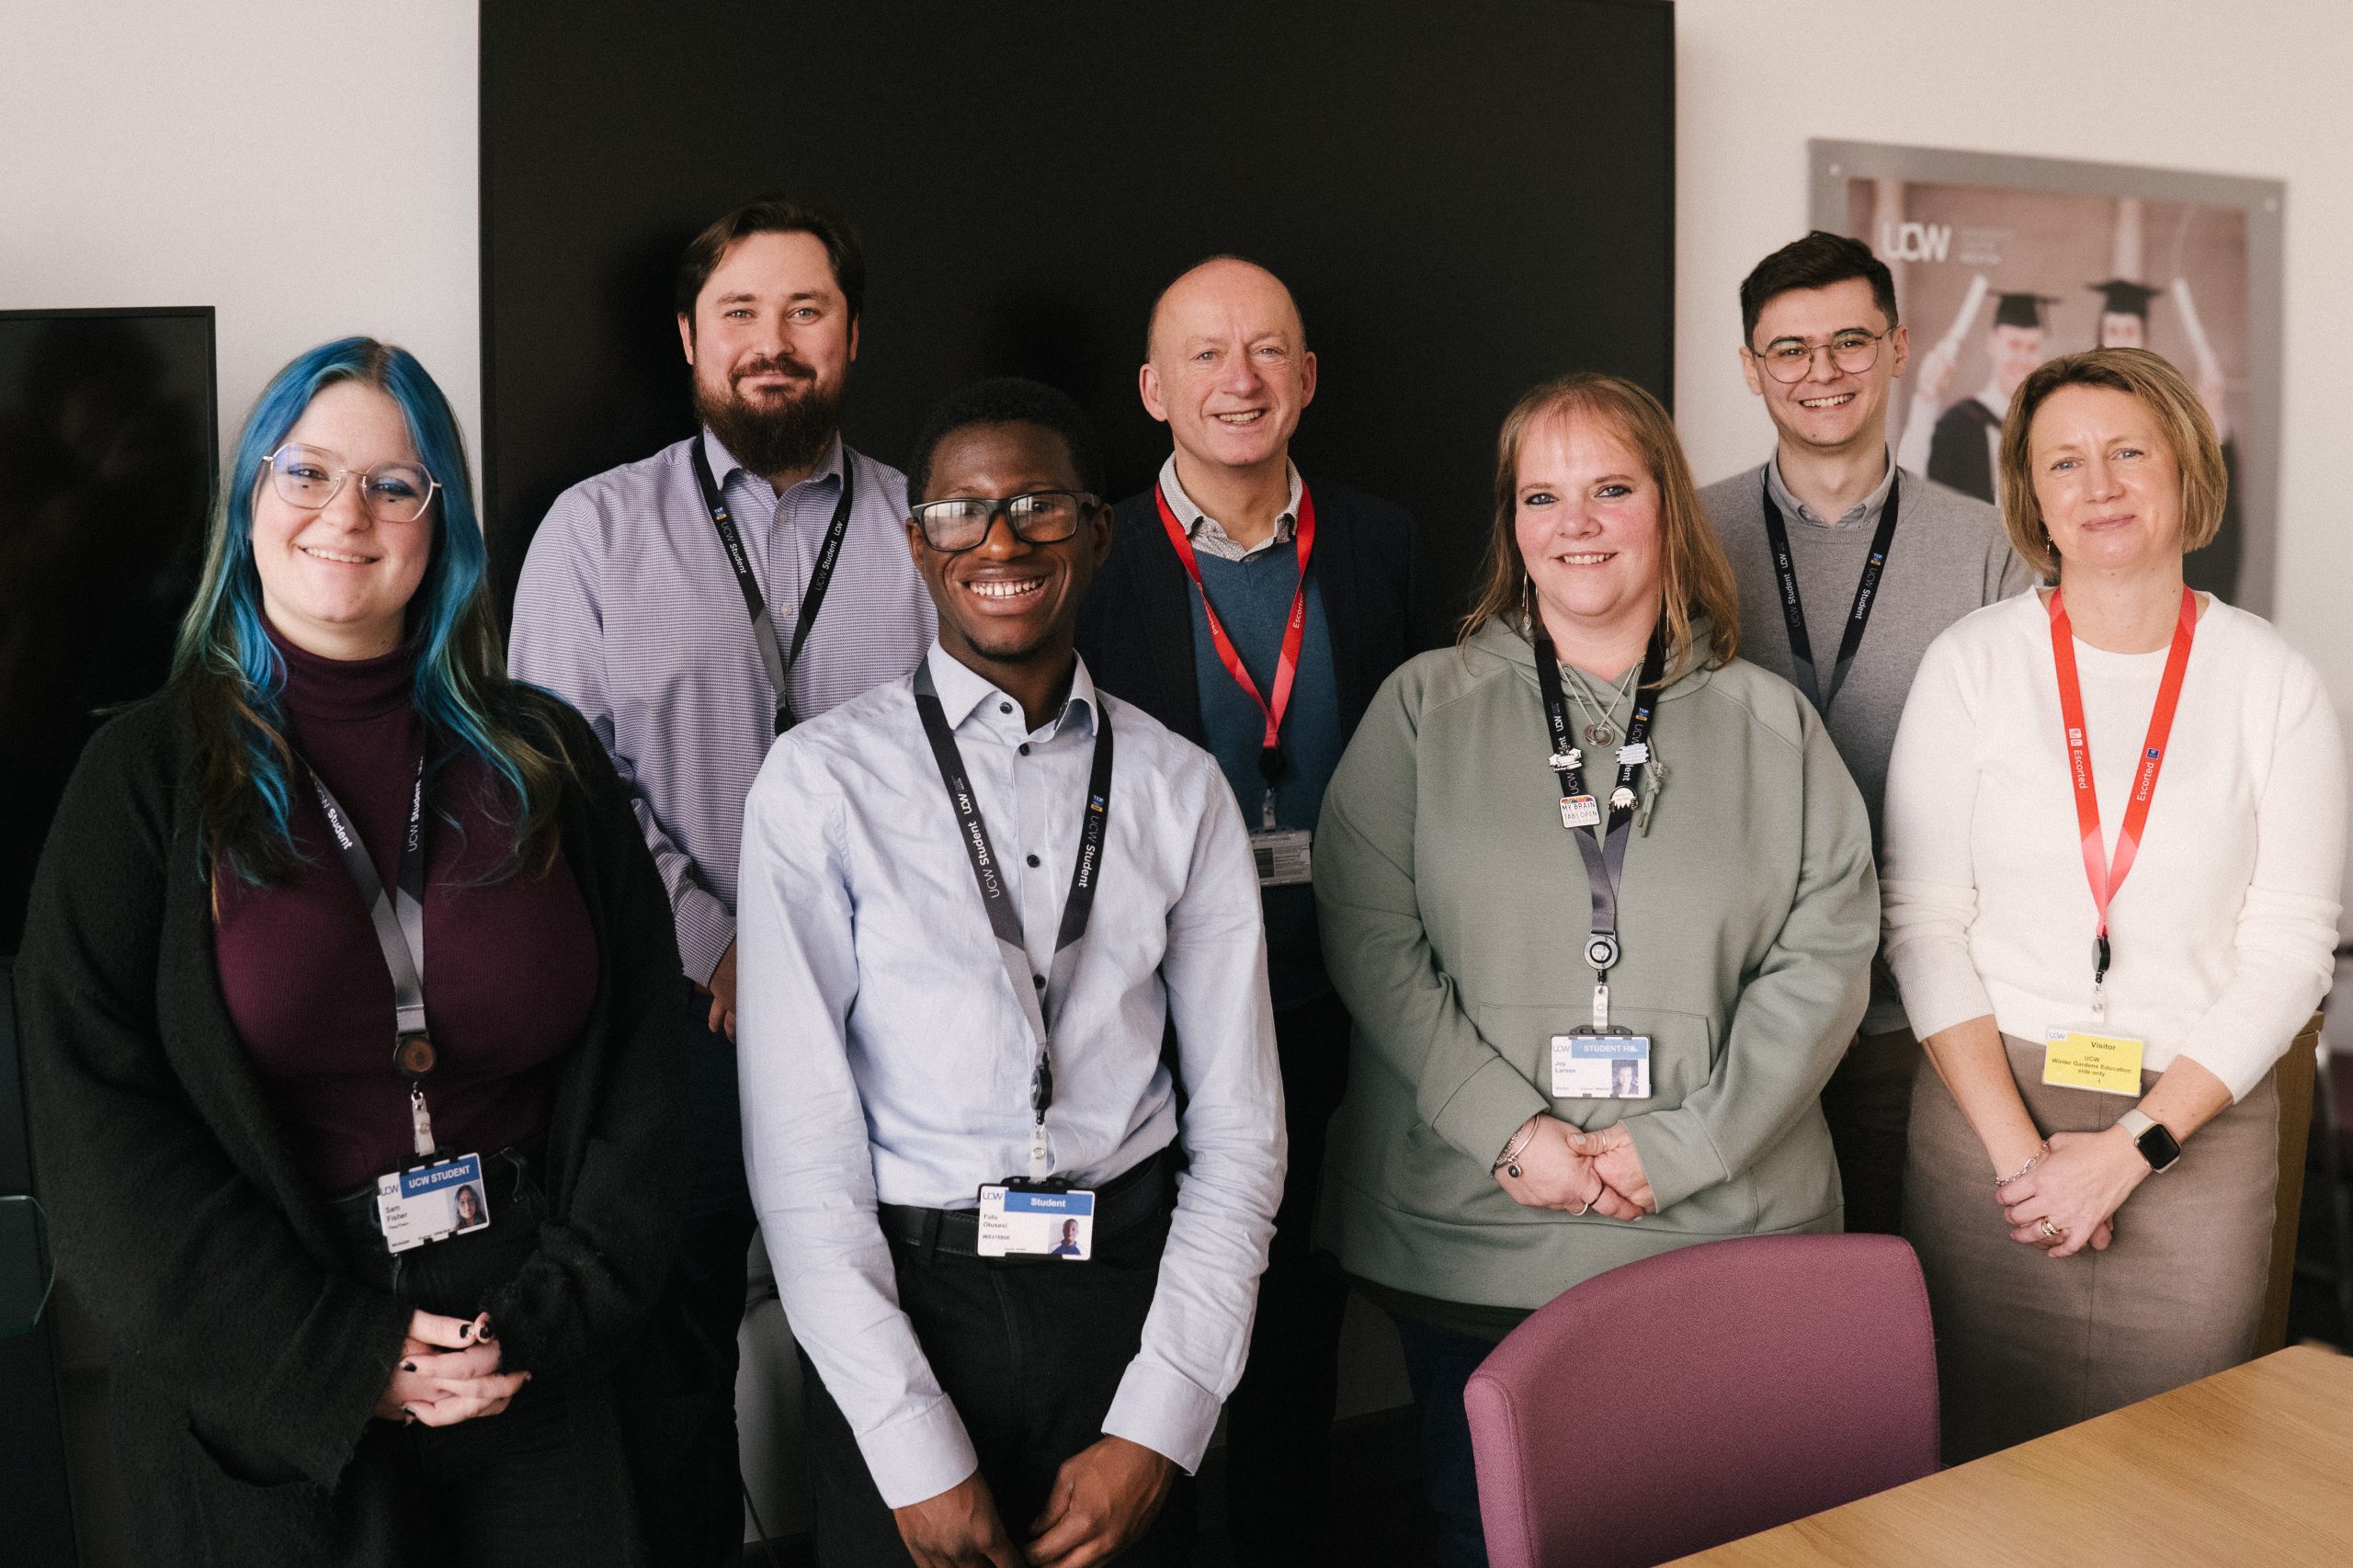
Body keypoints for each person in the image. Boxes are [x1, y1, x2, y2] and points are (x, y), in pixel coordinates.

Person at [16, 338, 691, 1564]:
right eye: (307, 472)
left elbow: (651, 1054)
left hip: (539, 1352)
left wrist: (547, 1320)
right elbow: (97, 1132)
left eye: (394, 482)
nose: (346, 513)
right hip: (276, 1370)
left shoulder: (544, 757)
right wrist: (347, 1356)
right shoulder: (141, 779)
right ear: (250, 500)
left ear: (443, 524)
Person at [1317, 373, 1877, 1566]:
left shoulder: (1770, 725)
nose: (1576, 522)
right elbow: (1369, 934)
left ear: (1668, 509)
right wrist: (1511, 1131)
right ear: (1513, 528)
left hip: (1718, 1229)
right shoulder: (1424, 707)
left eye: (1611, 488)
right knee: (1491, 1532)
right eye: (1543, 495)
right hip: (1475, 1225)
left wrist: (1684, 1145)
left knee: (1707, 1533)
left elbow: (1825, 957)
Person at [738, 378, 1284, 1568]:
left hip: (1126, 1310)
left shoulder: (1180, 789)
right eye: (960, 511)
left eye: (1038, 504)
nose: (999, 540)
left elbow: (1241, 1134)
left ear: (1097, 531)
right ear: (916, 541)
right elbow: (799, 1154)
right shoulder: (818, 784)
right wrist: (911, 1446)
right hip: (909, 1313)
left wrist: (1163, 1419)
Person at [509, 196, 934, 1562]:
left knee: (897, 1351)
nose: (774, 343)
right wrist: (721, 939)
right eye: (740, 314)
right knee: (672, 1370)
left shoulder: (934, 525)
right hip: (674, 1018)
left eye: (805, 311)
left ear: (854, 336)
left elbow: (962, 772)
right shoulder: (594, 532)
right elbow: (557, 786)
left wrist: (819, 947)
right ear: (690, 338)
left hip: (894, 1019)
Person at [1882, 347, 2344, 1463]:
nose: (2098, 485)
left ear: (2185, 466)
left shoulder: (2270, 680)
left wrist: (2130, 1148)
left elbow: (2291, 951)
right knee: (1973, 1475)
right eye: (2064, 461)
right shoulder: (1971, 665)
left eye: (2128, 451)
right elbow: (1921, 922)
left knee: (2179, 1469)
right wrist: (2018, 1160)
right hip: (1988, 1120)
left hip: (2196, 1127)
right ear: (2029, 497)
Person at [1072, 255, 1421, 1564]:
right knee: (1152, 1315)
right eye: (1208, 354)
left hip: (1335, 997)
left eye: (1269, 350)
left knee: (1300, 1321)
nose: (1242, 379)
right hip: (1151, 1014)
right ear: (1155, 388)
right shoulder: (1087, 554)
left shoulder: (1380, 541)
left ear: (1309, 379)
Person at [1701, 231, 2033, 1235]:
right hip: (1730, 1014)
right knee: (1739, 1321)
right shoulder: (1683, 534)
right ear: (1751, 369)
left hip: (1913, 1018)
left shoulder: (1991, 546)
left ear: (1897, 349)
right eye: (1789, 349)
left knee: (1901, 1302)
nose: (1821, 372)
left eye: (1849, 341)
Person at [2089, 278, 2245, 601]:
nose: (2118, 343)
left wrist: (2212, 413)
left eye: (2128, 333)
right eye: (2112, 332)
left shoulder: (2170, 408)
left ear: (2144, 339)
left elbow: (2209, 486)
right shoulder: (2079, 404)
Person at [1905, 291, 2053, 506]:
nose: (2023, 359)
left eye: (2032, 348)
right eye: (2014, 345)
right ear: (1992, 344)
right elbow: (1914, 487)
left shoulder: (2047, 426)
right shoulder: (1959, 424)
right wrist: (1925, 399)